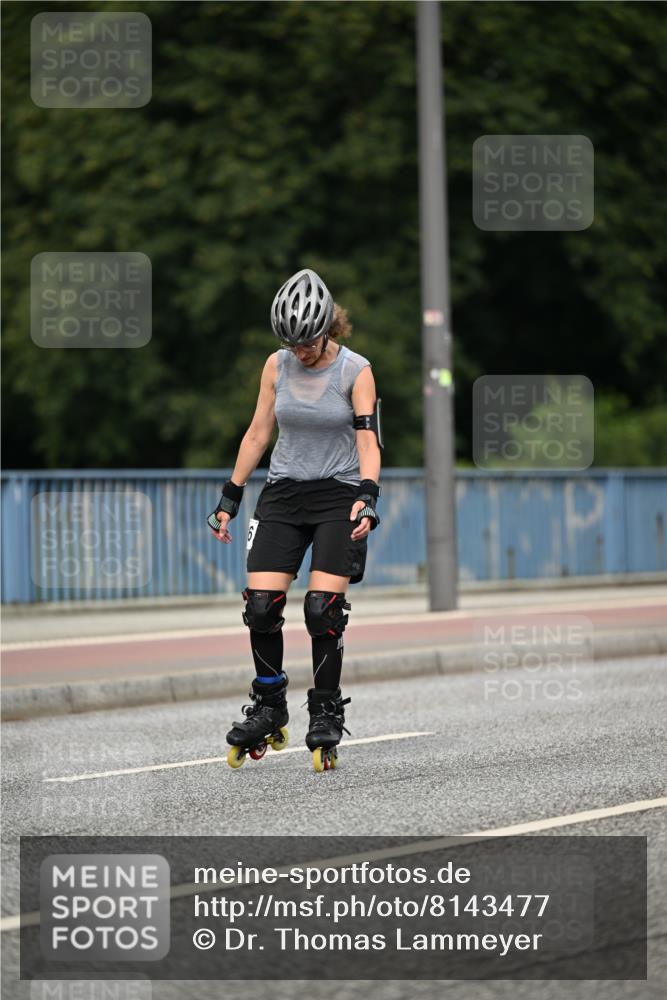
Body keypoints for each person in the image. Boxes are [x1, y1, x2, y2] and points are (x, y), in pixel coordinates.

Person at [208, 268, 382, 772]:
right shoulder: (276, 366)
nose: (299, 352)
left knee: (322, 609)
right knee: (261, 606)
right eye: (291, 343)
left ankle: (325, 710)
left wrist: (368, 496)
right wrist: (229, 497)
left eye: (307, 341)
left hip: (340, 495)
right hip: (283, 495)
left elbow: (368, 442)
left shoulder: (356, 370)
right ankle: (269, 705)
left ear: (327, 326)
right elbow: (258, 433)